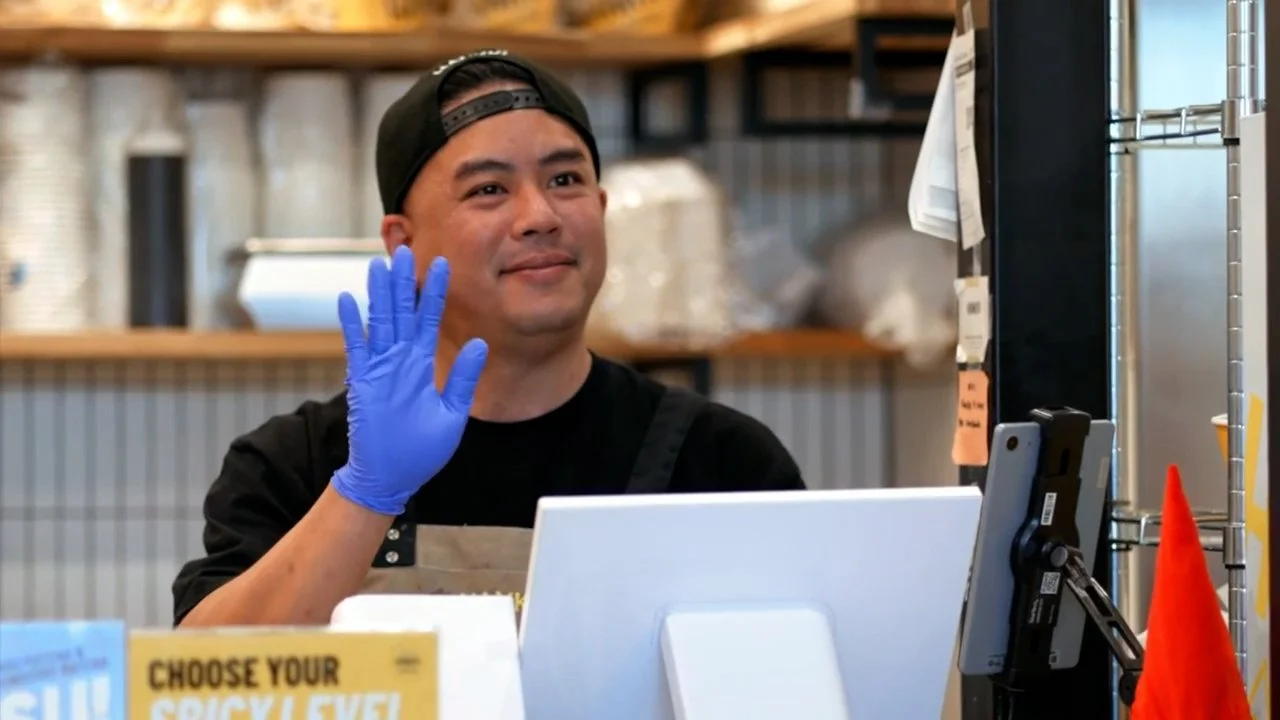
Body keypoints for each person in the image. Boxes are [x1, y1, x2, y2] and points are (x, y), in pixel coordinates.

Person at [172, 48, 806, 628]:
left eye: (565, 180)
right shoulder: (295, 464)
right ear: (404, 243)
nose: (540, 217)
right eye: (489, 189)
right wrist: (366, 494)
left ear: (601, 207)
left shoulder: (721, 463)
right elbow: (200, 677)